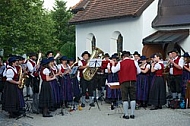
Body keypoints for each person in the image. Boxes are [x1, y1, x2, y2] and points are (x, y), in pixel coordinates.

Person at [111, 51, 141, 119]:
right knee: (133, 97)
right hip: (132, 81)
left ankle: (126, 114)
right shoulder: (134, 62)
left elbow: (113, 71)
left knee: (125, 98)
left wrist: (113, 64)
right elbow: (139, 71)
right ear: (129, 56)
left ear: (123, 57)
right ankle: (132, 114)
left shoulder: (120, 63)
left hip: (124, 82)